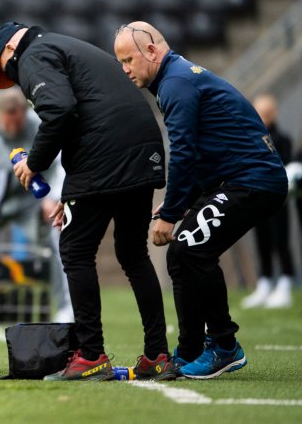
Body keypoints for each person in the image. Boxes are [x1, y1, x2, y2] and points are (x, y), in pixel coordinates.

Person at [0, 21, 173, 382]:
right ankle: (158, 354)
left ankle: (91, 355)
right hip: (143, 146)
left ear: (9, 50)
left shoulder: (32, 55)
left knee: (75, 250)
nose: (13, 78)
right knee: (133, 254)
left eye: (6, 69)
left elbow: (60, 111)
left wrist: (34, 163)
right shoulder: (65, 44)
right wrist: (72, 194)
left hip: (104, 155)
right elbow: (87, 110)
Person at [114, 21, 288, 380]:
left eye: (129, 59)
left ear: (151, 51)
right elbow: (206, 152)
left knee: (191, 250)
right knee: (182, 254)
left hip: (252, 180)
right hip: (237, 178)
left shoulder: (176, 83)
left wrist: (172, 213)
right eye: (120, 62)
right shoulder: (175, 79)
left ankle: (225, 346)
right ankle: (190, 350)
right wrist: (179, 203)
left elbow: (185, 153)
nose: (125, 69)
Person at [0, 89, 72, 326]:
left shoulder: (37, 124)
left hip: (31, 200)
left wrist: (52, 197)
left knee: (56, 239)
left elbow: (56, 164)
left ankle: (65, 307)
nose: (14, 124)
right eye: (8, 117)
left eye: (18, 117)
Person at [241, 94, 294, 309]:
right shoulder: (250, 138)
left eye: (263, 113)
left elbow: (288, 168)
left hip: (278, 198)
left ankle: (285, 283)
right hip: (257, 196)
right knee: (262, 241)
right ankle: (264, 282)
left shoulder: (282, 139)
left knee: (280, 240)